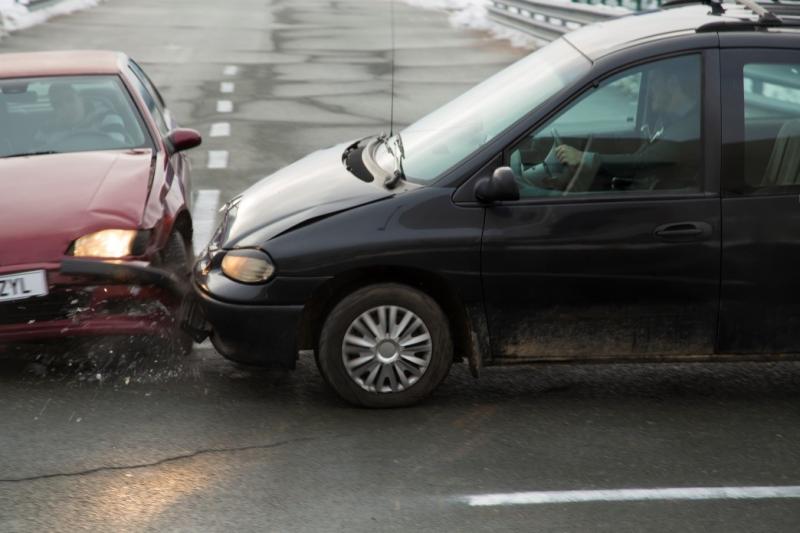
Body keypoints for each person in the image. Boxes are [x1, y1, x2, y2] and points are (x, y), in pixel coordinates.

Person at [520, 61, 701, 193]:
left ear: (672, 84)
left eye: (654, 82)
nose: (650, 89)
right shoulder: (669, 119)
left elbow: (639, 163)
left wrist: (584, 158)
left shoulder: (685, 132)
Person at [41, 82, 126, 147]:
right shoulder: (47, 129)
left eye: (70, 99)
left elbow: (116, 155)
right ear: (54, 110)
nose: (66, 107)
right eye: (57, 104)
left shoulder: (108, 118)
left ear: (81, 99)